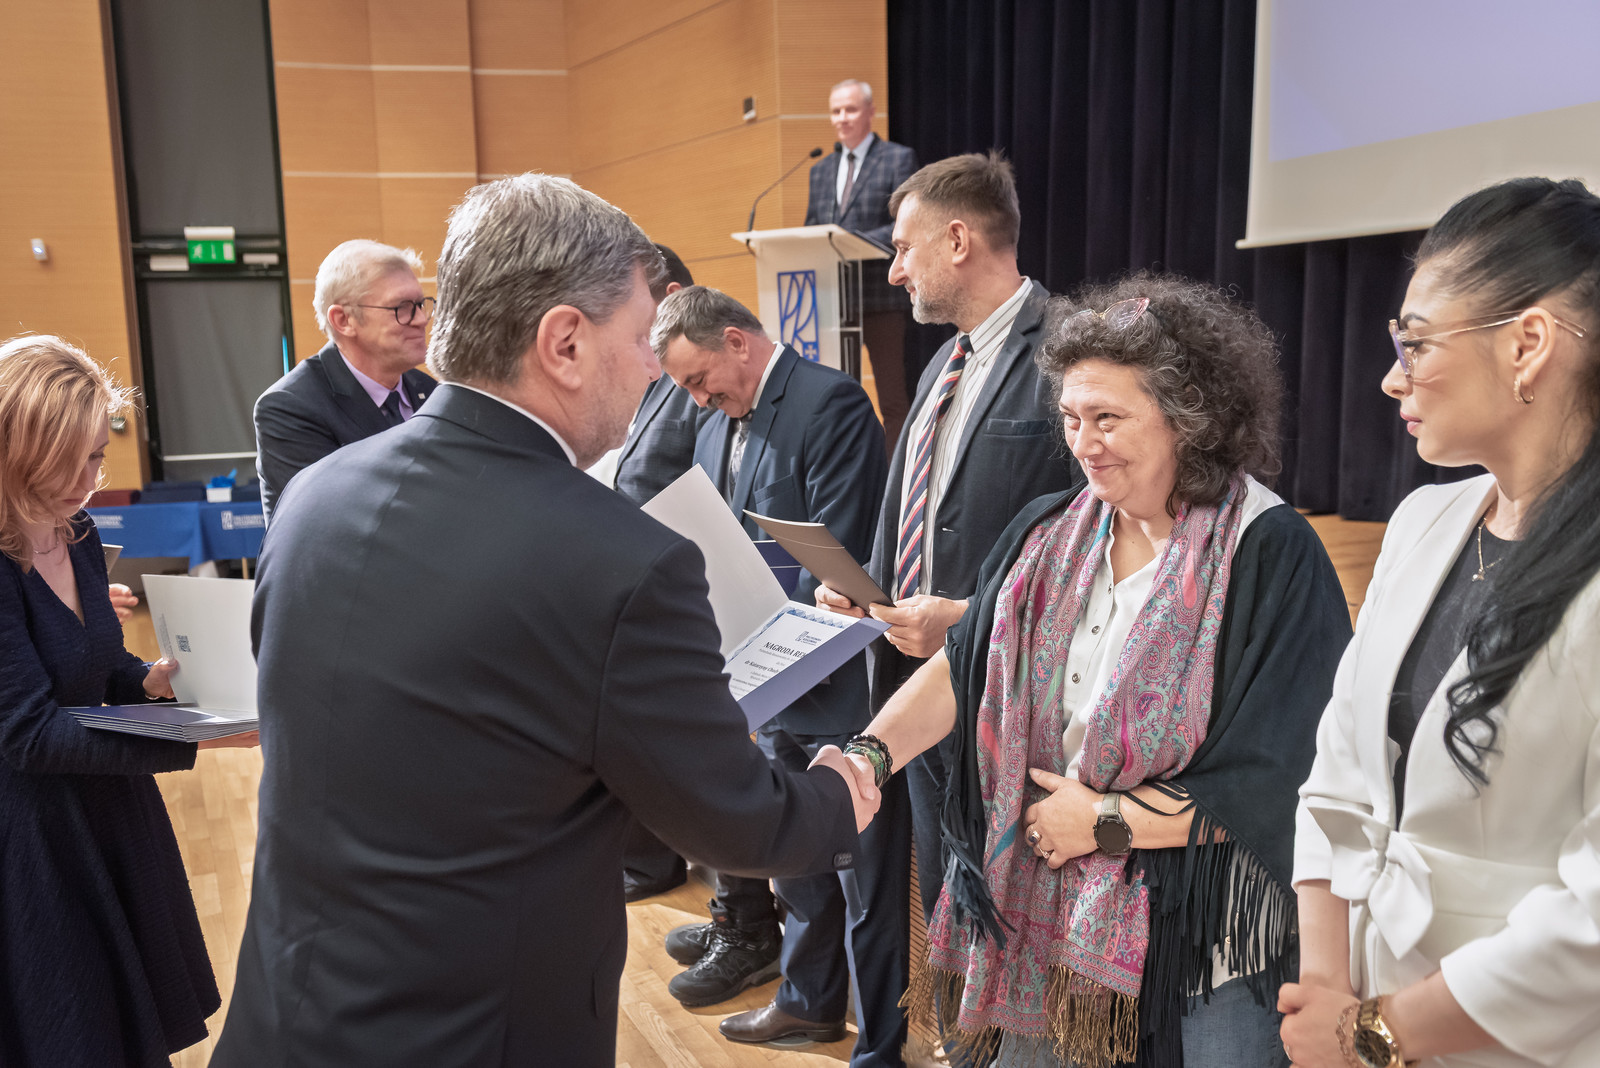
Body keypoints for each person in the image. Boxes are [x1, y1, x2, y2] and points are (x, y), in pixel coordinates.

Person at [211, 174, 879, 1068]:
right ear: (565, 343)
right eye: (639, 338)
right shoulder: (620, 561)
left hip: (285, 1019)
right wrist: (856, 772)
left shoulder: (312, 497)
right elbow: (742, 826)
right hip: (474, 1034)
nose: (653, 369)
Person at [844, 276, 1351, 1067]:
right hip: (1043, 911)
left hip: (1205, 935)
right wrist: (868, 757)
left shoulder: (1272, 551)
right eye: (1072, 418)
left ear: (1188, 417)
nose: (1084, 443)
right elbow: (967, 662)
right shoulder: (1047, 532)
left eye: (1109, 418)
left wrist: (1104, 822)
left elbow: (1283, 775)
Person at [1281, 179, 1600, 1068]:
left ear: (1527, 344)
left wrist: (1380, 1033)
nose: (1394, 377)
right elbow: (1339, 776)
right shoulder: (1426, 520)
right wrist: (1328, 994)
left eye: (1415, 344)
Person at [817, 151, 1081, 927]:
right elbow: (918, 508)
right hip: (921, 690)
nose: (894, 271)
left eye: (904, 248)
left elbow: (1097, 547)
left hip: (1017, 701)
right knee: (946, 908)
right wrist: (866, 590)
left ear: (958, 240)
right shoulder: (945, 359)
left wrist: (965, 617)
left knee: (1015, 919)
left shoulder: (1071, 351)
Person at [652, 286, 900, 1063]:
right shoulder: (710, 421)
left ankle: (881, 1041)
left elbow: (839, 552)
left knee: (859, 879)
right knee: (794, 864)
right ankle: (808, 1005)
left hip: (832, 682)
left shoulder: (829, 404)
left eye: (699, 380)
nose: (696, 400)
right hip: (760, 678)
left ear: (736, 340)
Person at [0, 334, 259, 1066]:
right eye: (70, 460)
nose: (90, 479)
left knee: (131, 1029)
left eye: (96, 456)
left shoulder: (77, 531)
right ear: (18, 448)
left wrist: (150, 680)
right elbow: (28, 734)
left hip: (112, 808)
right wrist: (190, 736)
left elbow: (101, 669)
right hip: (37, 837)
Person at [611, 243, 709, 904]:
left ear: (670, 295)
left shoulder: (690, 382)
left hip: (684, 586)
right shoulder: (654, 376)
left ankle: (670, 873)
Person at [254, 239, 435, 525]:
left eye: (420, 304)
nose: (421, 319)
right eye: (402, 307)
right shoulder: (290, 408)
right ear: (343, 320)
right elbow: (330, 524)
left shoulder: (430, 391)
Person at [804, 78, 918, 445]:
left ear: (870, 112)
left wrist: (850, 241)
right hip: (834, 302)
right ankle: (849, 465)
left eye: (850, 109)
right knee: (838, 396)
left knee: (892, 399)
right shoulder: (820, 170)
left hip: (881, 297)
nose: (842, 118)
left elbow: (906, 224)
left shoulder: (897, 159)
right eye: (835, 111)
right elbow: (812, 227)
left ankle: (896, 473)